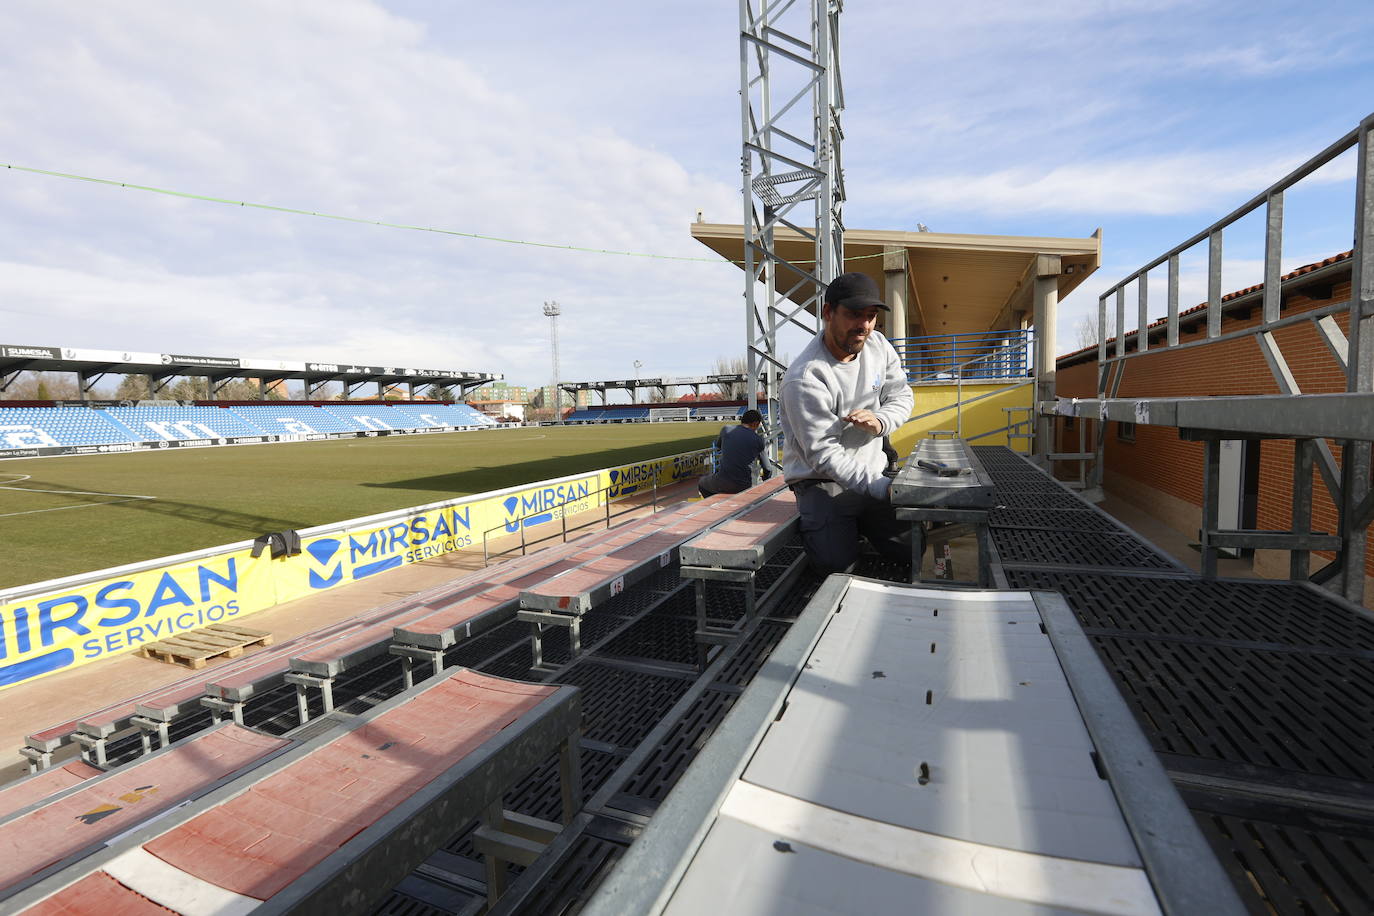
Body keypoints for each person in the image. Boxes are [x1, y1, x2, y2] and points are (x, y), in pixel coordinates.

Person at [780, 271, 914, 573]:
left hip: (872, 472)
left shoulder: (878, 345)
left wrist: (881, 421)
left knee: (912, 551)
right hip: (821, 483)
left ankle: (863, 525)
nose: (864, 325)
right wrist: (883, 489)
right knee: (836, 568)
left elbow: (902, 394)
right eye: (854, 314)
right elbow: (824, 454)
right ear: (828, 313)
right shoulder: (805, 377)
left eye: (871, 316)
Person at [699, 409, 768, 498]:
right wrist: (765, 481)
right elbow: (768, 468)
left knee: (702, 483)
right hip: (744, 484)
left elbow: (718, 446)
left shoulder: (726, 429)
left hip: (722, 481)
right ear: (755, 423)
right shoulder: (759, 440)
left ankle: (713, 505)